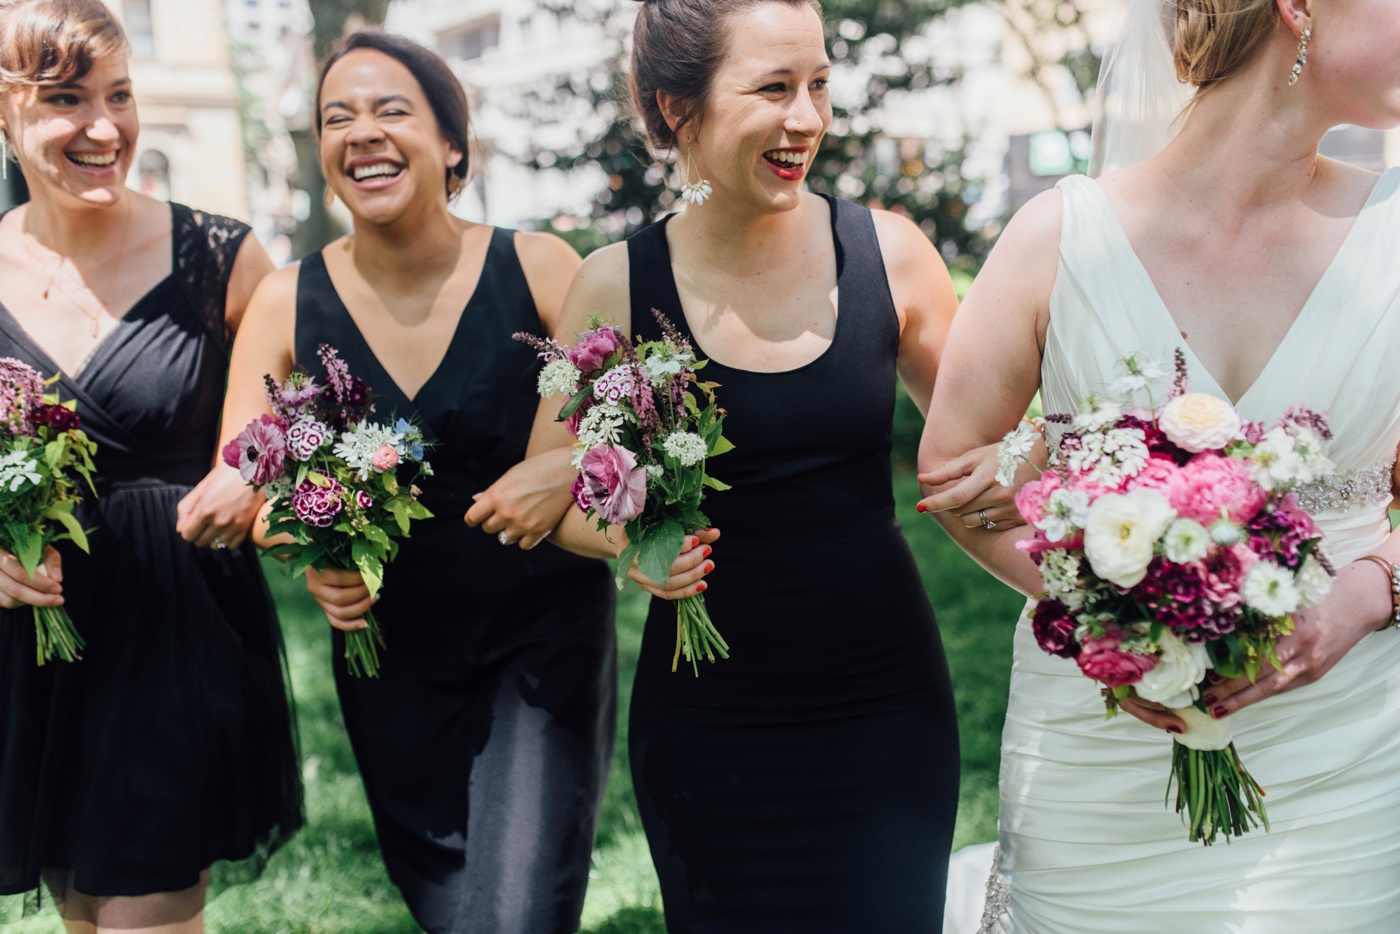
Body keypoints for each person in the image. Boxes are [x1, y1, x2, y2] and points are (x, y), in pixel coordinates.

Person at [918, 0, 1400, 929]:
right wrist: (1108, 620)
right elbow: (951, 477)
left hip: (1345, 759)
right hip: (1103, 768)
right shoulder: (1057, 236)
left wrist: (1368, 592)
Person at [540, 0, 1021, 927]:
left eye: (819, 85)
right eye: (773, 88)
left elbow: (981, 453)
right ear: (677, 106)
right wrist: (629, 545)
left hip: (883, 705)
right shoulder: (611, 284)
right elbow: (558, 484)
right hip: (708, 718)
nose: (808, 118)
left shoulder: (892, 255)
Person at [218, 30, 616, 934]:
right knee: (451, 914)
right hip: (388, 655)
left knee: (518, 916)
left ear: (451, 143)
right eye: (337, 117)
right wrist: (305, 543)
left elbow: (621, 433)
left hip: (539, 643)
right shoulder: (286, 302)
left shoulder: (543, 269)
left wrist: (565, 463)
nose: (362, 131)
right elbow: (242, 480)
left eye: (391, 109)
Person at [0, 0, 303, 930]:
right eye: (64, 100)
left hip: (178, 631)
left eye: (119, 95)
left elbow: (305, 417)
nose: (104, 127)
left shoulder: (224, 256)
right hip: (36, 650)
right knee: (84, 914)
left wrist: (256, 467)